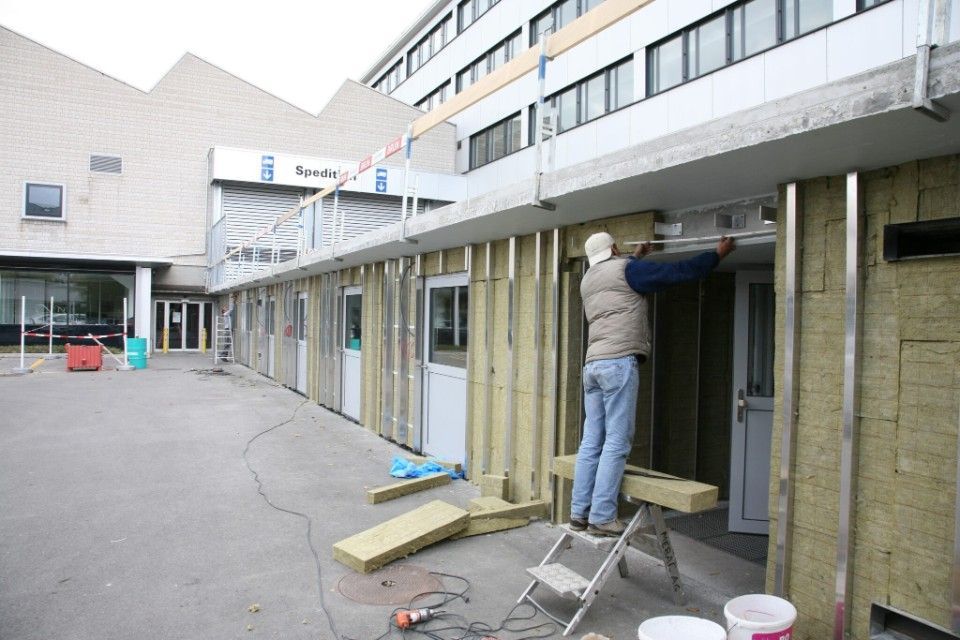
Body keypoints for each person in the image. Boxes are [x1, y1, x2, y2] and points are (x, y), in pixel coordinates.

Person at [571, 232, 736, 536]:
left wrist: (637, 256)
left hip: (592, 365)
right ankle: (602, 517)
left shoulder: (588, 279)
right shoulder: (628, 270)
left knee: (592, 440)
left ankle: (579, 513)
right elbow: (679, 272)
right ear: (615, 249)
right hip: (618, 362)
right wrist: (717, 254)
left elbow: (621, 277)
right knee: (617, 442)